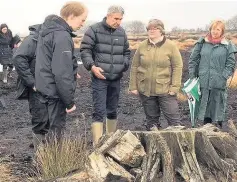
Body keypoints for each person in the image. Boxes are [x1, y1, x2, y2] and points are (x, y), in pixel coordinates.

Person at [35, 1, 88, 140]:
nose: (83, 23)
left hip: (45, 89)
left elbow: (49, 62)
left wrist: (71, 69)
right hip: (55, 93)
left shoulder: (48, 32)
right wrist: (69, 102)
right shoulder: (62, 36)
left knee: (47, 131)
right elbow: (61, 74)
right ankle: (52, 162)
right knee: (55, 134)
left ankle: (44, 160)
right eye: (82, 19)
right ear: (71, 16)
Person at [80, 5, 130, 146]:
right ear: (108, 15)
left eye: (120, 19)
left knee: (112, 110)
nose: (118, 22)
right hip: (100, 79)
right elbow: (85, 50)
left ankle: (111, 142)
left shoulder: (121, 32)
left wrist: (124, 65)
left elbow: (126, 52)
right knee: (99, 111)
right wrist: (92, 66)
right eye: (116, 18)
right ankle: (97, 146)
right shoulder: (94, 29)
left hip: (116, 78)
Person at [129, 19, 183, 131]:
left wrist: (175, 87)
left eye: (155, 28)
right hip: (146, 90)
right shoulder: (142, 46)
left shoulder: (171, 46)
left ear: (161, 31)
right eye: (149, 28)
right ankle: (154, 146)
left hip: (165, 89)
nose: (151, 31)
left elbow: (177, 67)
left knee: (175, 123)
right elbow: (134, 66)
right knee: (152, 123)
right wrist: (133, 86)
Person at [188, 20, 237, 128]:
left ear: (222, 31)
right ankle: (205, 130)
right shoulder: (202, 43)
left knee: (217, 107)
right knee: (204, 107)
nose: (214, 31)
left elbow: (230, 64)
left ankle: (217, 130)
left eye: (218, 29)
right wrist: (193, 76)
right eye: (213, 29)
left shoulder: (227, 45)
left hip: (218, 83)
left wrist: (223, 76)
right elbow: (193, 60)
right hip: (203, 81)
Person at [13, 24, 47, 149]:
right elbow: (18, 58)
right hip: (37, 86)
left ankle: (49, 151)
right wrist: (31, 82)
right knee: (40, 118)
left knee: (50, 118)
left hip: (51, 85)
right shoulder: (32, 40)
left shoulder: (53, 39)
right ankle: (40, 154)